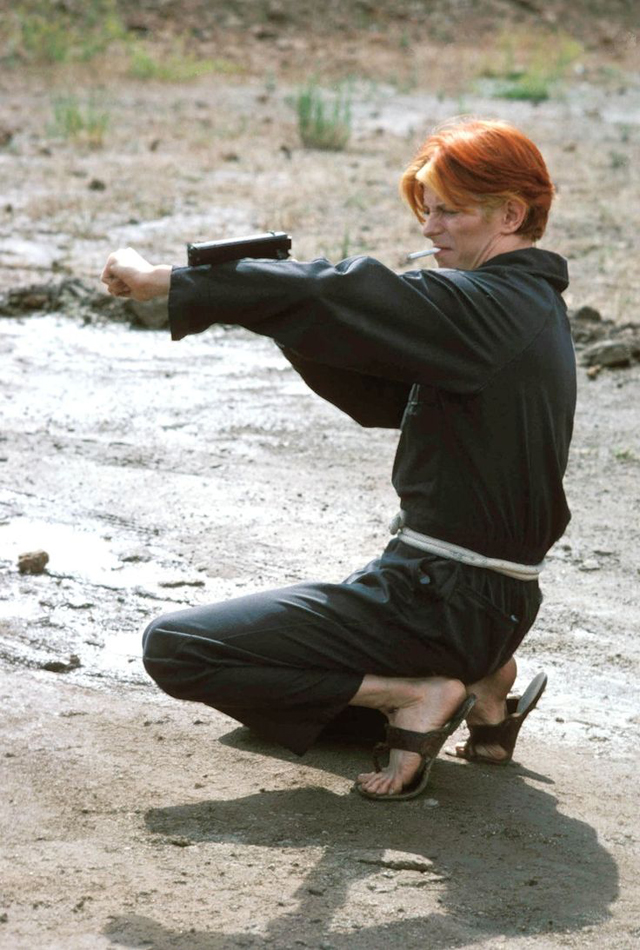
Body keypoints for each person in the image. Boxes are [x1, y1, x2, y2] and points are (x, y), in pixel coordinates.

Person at [101, 117, 576, 801]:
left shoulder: (488, 305)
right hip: (487, 603)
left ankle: (417, 692)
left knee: (179, 649)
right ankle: (483, 683)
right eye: (427, 210)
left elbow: (344, 291)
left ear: (510, 214)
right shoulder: (529, 309)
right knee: (279, 708)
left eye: (450, 211)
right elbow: (378, 394)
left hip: (436, 599)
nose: (430, 227)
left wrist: (170, 282)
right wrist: (272, 308)